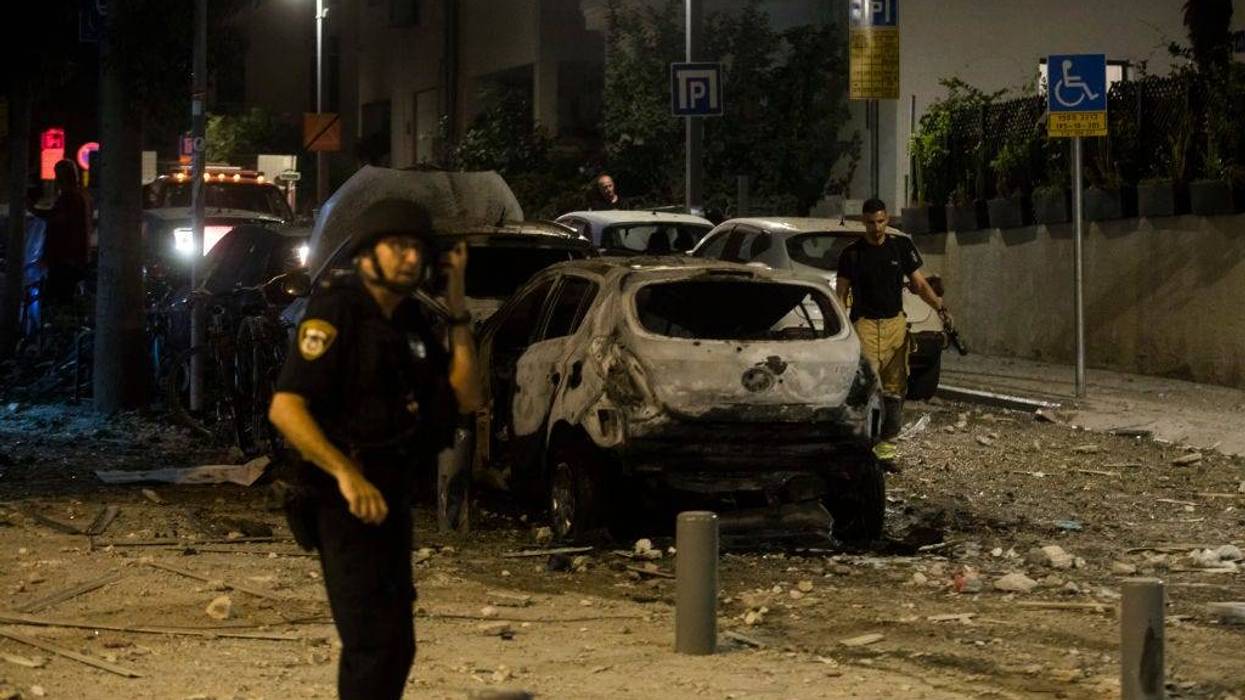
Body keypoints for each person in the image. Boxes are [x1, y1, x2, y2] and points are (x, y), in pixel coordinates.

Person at [267, 198, 483, 700]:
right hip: (340, 499)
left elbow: (467, 397)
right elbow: (286, 408)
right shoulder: (337, 310)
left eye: (417, 249)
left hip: (390, 494)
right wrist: (345, 473)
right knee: (372, 642)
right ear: (367, 254)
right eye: (398, 246)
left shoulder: (410, 320)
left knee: (398, 643)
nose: (410, 258)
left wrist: (457, 309)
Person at [835, 198, 948, 464]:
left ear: (887, 220)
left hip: (895, 324)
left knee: (895, 390)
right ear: (864, 222)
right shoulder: (852, 254)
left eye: (881, 221)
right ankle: (862, 447)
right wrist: (843, 331)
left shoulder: (900, 247)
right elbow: (841, 294)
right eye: (871, 223)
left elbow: (919, 283)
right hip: (865, 327)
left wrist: (939, 306)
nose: (876, 228)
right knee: (865, 389)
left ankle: (886, 449)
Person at [41, 160, 92, 306]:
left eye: (59, 176)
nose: (56, 179)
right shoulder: (81, 195)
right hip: (75, 260)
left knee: (57, 302)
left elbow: (57, 221)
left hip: (65, 260)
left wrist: (33, 209)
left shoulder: (69, 197)